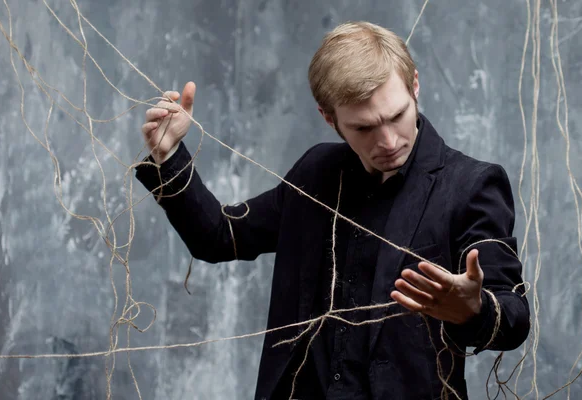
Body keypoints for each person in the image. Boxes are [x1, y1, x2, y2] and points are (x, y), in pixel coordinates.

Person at [135, 21, 530, 400]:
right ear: (329, 118)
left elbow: (514, 317)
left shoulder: (472, 184)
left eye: (396, 116)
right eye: (364, 128)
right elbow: (220, 235)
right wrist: (168, 154)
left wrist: (475, 310)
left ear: (414, 86)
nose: (388, 140)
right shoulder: (316, 172)